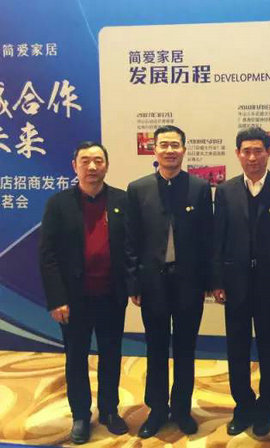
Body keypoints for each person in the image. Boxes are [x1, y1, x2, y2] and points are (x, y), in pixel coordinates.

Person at [211, 126, 270, 437]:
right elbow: (218, 239)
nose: (252, 157)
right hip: (235, 284)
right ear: (238, 154)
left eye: (258, 151)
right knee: (236, 348)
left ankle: (266, 409)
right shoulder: (225, 191)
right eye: (246, 151)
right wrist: (217, 280)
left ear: (269, 152)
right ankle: (243, 405)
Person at [126, 125, 213, 438]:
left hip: (189, 283)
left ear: (184, 150)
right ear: (154, 150)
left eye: (175, 145)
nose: (170, 150)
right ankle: (157, 410)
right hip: (153, 284)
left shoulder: (199, 188)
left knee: (186, 348)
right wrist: (134, 283)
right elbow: (131, 240)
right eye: (163, 145)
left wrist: (208, 281)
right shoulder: (138, 189)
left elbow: (207, 238)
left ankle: (182, 409)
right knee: (156, 348)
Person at [39, 142, 128, 444]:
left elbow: (131, 248)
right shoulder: (59, 204)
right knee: (76, 357)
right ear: (74, 166)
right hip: (73, 300)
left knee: (111, 354)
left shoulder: (122, 200)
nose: (92, 167)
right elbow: (48, 256)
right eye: (85, 161)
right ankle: (80, 415)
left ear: (106, 165)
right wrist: (57, 299)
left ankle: (110, 410)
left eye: (98, 161)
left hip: (111, 295)